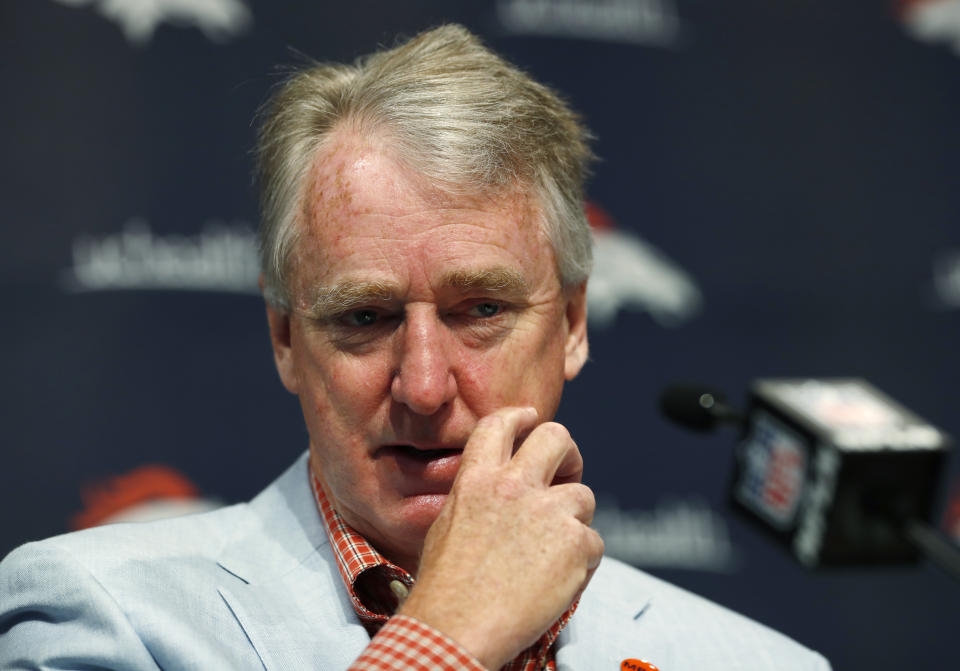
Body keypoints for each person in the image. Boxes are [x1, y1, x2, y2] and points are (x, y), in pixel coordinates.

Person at [0, 25, 830, 670]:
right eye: (364, 317)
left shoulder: (757, 661)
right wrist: (451, 632)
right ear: (286, 338)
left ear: (574, 323)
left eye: (481, 308)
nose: (426, 386)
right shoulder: (102, 611)